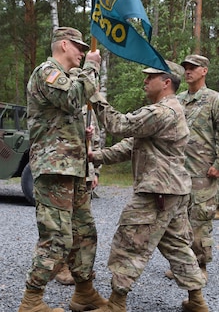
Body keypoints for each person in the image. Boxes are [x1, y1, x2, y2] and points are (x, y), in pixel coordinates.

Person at [86, 60, 208, 312]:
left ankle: (116, 304)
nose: (144, 81)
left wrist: (92, 94)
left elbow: (118, 125)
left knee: (129, 243)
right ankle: (197, 301)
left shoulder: (163, 112)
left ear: (166, 83)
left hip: (157, 192)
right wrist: (96, 156)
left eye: (150, 77)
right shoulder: (168, 111)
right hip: (172, 191)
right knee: (176, 246)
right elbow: (131, 145)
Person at [18, 27, 107, 312]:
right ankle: (31, 300)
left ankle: (84, 292)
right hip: (55, 168)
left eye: (85, 49)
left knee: (84, 233)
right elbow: (72, 99)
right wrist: (92, 66)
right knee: (56, 236)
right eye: (79, 47)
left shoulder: (68, 77)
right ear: (64, 44)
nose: (83, 52)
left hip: (74, 169)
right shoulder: (47, 72)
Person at [165, 54, 219, 281]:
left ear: (204, 70)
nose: (188, 71)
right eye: (186, 67)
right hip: (179, 171)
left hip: (203, 172)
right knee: (179, 221)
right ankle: (182, 266)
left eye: (193, 68)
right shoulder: (178, 99)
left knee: (199, 221)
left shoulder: (214, 99)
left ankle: (201, 267)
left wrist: (218, 163)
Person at [55, 71, 101, 285]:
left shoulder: (88, 108)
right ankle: (61, 265)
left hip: (84, 171)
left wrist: (95, 172)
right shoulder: (60, 104)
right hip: (64, 170)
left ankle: (79, 268)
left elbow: (97, 145)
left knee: (82, 224)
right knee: (62, 222)